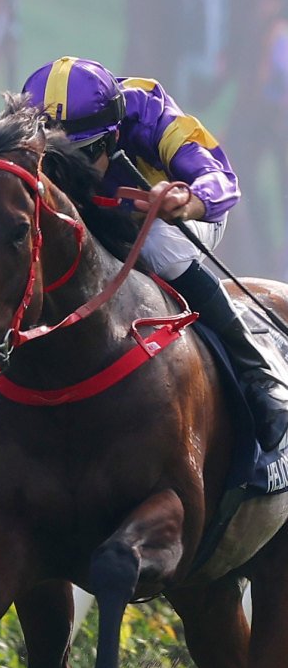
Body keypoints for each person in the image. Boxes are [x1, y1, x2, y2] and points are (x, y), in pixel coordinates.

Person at [23, 56, 288, 448]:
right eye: (54, 155)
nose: (68, 170)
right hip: (94, 221)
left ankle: (258, 372)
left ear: (114, 136)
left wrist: (188, 197)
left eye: (82, 154)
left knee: (160, 245)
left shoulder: (148, 110)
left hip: (173, 217)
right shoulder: (24, 125)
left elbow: (221, 179)